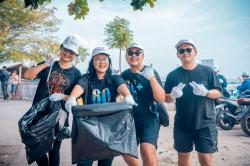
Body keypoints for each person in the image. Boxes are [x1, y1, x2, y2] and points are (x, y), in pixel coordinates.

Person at [65, 47, 136, 166]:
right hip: (88, 130)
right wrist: (72, 97)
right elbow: (80, 86)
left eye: (104, 59)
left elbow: (121, 86)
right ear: (92, 62)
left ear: (109, 61)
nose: (102, 62)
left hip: (109, 131)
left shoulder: (114, 78)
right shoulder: (86, 78)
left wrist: (128, 95)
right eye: (97, 59)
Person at [24, 35, 81, 166]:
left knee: (54, 149)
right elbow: (27, 75)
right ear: (61, 48)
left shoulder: (76, 73)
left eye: (72, 52)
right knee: (35, 145)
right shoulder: (48, 66)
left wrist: (63, 96)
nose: (68, 54)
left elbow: (75, 96)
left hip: (59, 116)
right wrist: (45, 63)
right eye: (66, 49)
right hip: (39, 114)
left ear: (75, 55)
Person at [164, 39, 222, 166]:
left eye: (189, 49)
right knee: (183, 159)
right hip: (182, 123)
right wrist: (172, 95)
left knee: (206, 159)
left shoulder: (208, 71)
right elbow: (165, 97)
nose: (185, 52)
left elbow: (219, 92)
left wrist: (206, 92)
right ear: (177, 55)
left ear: (195, 52)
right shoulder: (172, 75)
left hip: (206, 122)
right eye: (182, 50)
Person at [121, 42, 165, 166]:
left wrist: (151, 78)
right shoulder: (124, 75)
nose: (133, 55)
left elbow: (161, 97)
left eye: (137, 52)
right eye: (130, 53)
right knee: (126, 152)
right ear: (126, 56)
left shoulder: (151, 72)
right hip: (129, 120)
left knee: (147, 150)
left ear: (143, 55)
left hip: (149, 118)